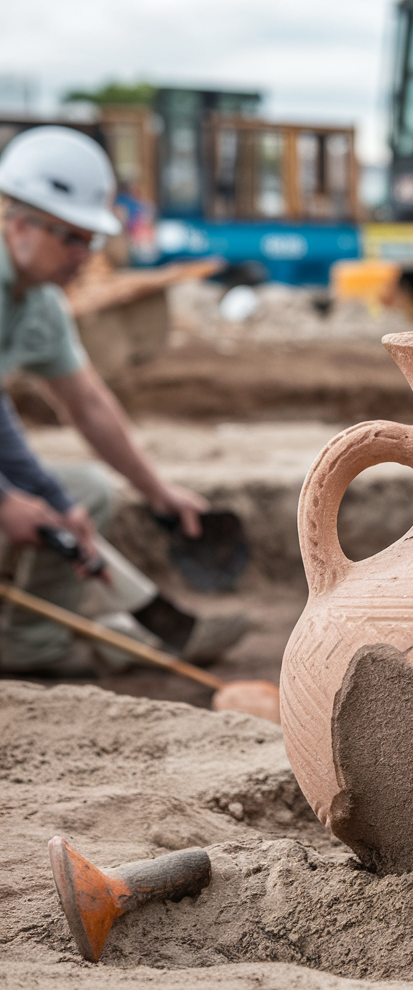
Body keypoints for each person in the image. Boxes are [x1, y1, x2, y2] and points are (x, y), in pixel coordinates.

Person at [0, 125, 247, 672]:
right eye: (72, 238)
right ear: (18, 224)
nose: (85, 255)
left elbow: (85, 403)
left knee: (81, 493)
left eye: (89, 240)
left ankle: (29, 646)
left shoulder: (36, 304)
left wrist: (156, 493)